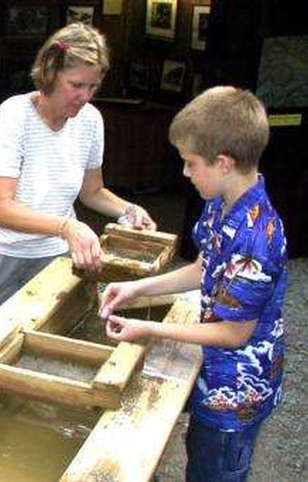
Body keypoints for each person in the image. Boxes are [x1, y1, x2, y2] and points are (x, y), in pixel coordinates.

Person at [98, 86, 287, 482]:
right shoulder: (223, 199)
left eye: (190, 163)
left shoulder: (256, 238)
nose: (184, 173)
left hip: (235, 391)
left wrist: (148, 328)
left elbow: (234, 333)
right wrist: (139, 289)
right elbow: (204, 267)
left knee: (215, 469)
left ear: (222, 162)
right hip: (212, 374)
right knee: (198, 454)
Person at [0, 23, 155, 309]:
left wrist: (129, 210)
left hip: (51, 249)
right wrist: (67, 227)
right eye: (76, 85)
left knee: (44, 327)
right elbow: (0, 209)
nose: (85, 96)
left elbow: (92, 191)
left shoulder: (91, 121)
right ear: (49, 73)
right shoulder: (14, 115)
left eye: (93, 86)